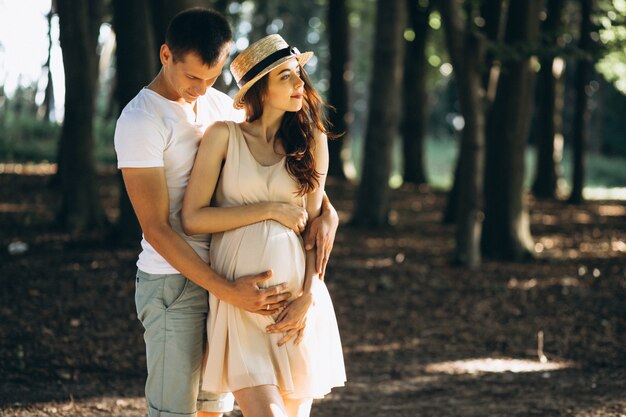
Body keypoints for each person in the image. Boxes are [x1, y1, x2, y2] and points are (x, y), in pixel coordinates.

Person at [114, 9, 339, 417]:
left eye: (212, 77)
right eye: (192, 78)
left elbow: (282, 176)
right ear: (166, 55)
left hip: (232, 281)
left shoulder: (224, 107)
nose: (201, 89)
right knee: (174, 412)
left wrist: (328, 214)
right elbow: (158, 228)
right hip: (174, 282)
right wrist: (225, 289)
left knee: (210, 410)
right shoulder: (140, 120)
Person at [182, 34, 346, 417]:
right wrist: (270, 209)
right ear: (260, 89)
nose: (300, 85)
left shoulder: (312, 142)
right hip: (242, 304)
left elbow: (313, 232)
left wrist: (309, 295)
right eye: (286, 77)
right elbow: (193, 218)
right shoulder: (224, 136)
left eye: (299, 75)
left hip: (295, 306)